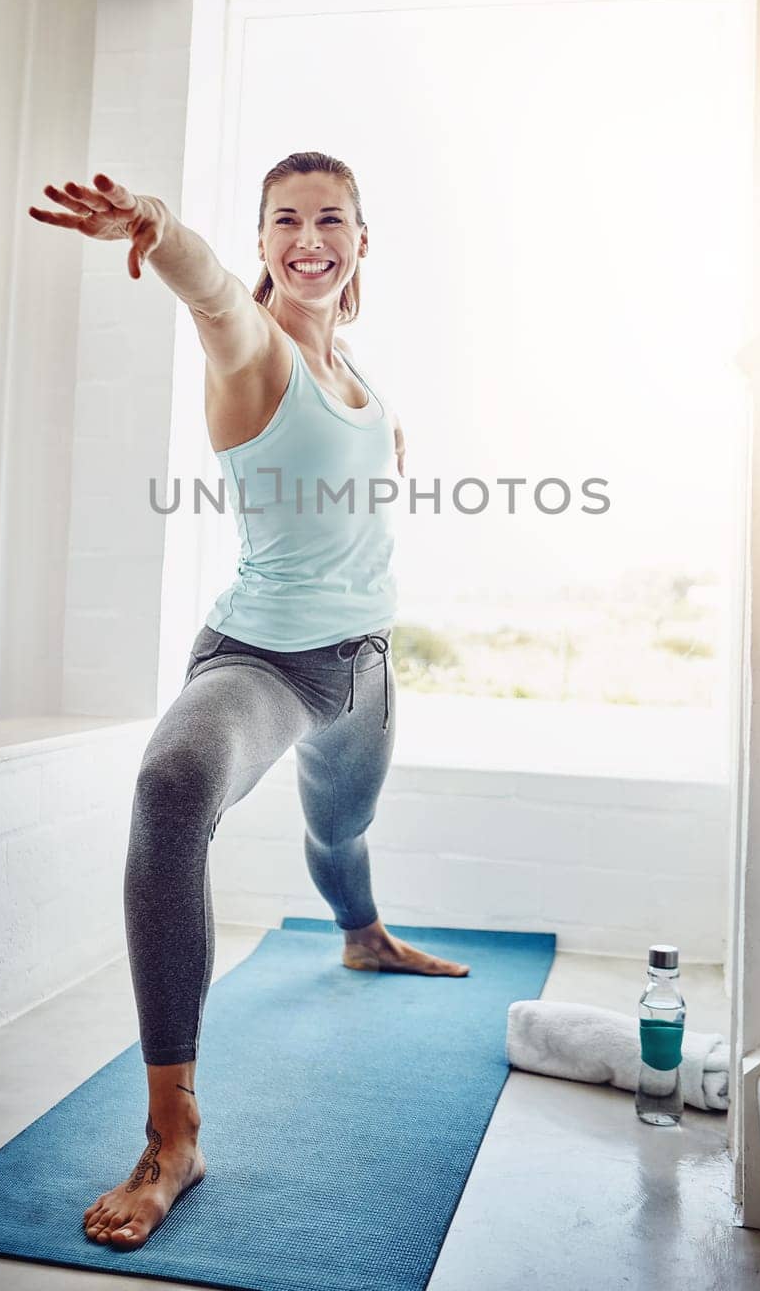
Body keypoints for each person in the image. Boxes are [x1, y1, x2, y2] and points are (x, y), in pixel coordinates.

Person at [28, 150, 469, 1253]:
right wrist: (159, 224)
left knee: (343, 827)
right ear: (264, 237)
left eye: (330, 220)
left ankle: (361, 934)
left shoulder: (355, 370)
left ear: (362, 241)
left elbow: (356, 456)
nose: (307, 238)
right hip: (265, 662)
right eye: (285, 221)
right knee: (174, 784)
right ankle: (170, 1129)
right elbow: (212, 290)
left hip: (364, 665)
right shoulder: (250, 341)